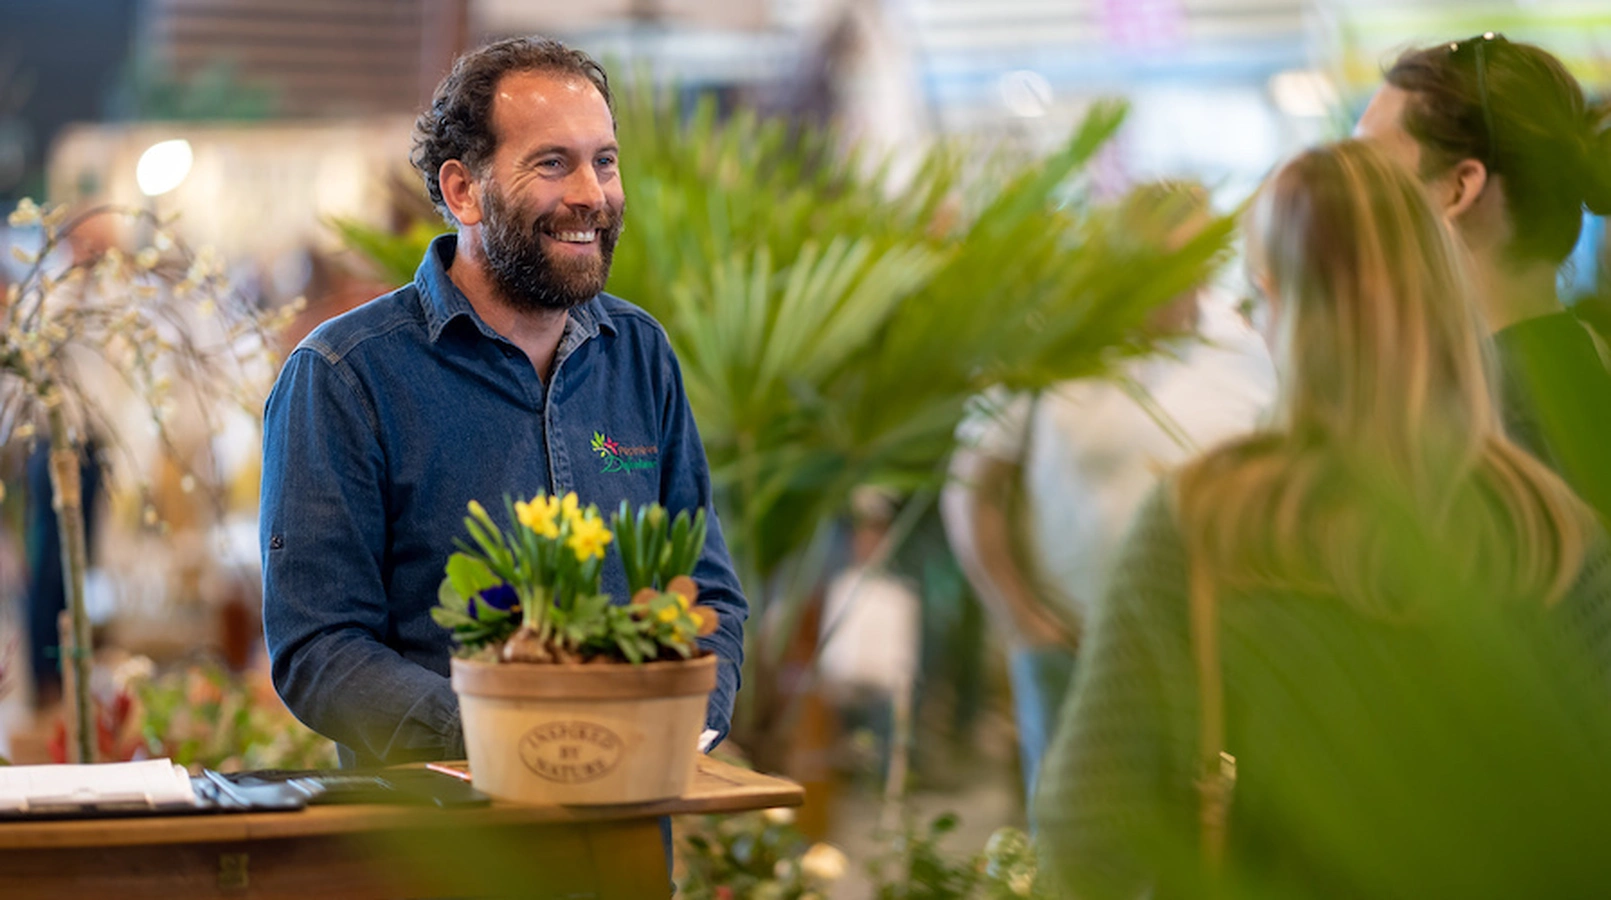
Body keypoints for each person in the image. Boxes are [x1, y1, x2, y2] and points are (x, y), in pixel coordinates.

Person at [1036, 141, 1611, 899]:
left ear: (1280, 303)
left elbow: (1086, 826)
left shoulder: (1201, 524)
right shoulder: (1549, 531)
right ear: (1443, 293)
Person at [260, 36, 748, 768]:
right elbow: (319, 649)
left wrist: (679, 728)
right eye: (553, 163)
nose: (592, 193)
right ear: (463, 191)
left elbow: (705, 592)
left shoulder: (639, 355)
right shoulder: (344, 375)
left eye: (604, 161)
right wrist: (520, 743)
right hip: (441, 849)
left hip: (624, 837)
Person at [941, 183, 1273, 805]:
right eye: (1155, 267)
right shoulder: (1050, 341)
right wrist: (1023, 619)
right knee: (1074, 848)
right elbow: (972, 490)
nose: (1175, 287)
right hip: (1071, 652)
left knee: (1205, 840)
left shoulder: (1247, 349)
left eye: (1189, 265)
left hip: (1210, 655)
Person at [1356, 33, 1611, 521]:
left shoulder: (1487, 432)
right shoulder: (1581, 367)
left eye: (1374, 169)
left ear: (1458, 189)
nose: (1351, 195)